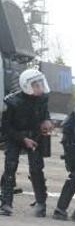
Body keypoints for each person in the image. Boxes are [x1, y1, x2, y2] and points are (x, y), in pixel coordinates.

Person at [0, 69, 53, 217]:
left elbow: (44, 113)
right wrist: (22, 139)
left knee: (37, 169)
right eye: (36, 85)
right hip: (15, 136)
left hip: (34, 135)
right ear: (26, 85)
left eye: (41, 84)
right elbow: (5, 127)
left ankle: (41, 203)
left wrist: (46, 121)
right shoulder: (11, 101)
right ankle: (6, 203)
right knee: (10, 167)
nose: (40, 88)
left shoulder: (43, 98)